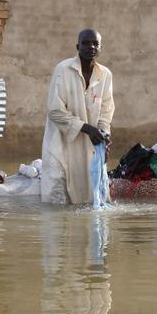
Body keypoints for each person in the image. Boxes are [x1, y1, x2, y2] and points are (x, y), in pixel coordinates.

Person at [41, 28, 115, 204]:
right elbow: (55, 110)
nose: (91, 47)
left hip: (90, 142)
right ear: (77, 46)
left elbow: (107, 108)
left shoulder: (105, 74)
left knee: (91, 194)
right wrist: (87, 128)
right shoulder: (63, 69)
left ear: (100, 47)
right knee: (58, 195)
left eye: (95, 43)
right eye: (86, 43)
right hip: (61, 140)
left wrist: (104, 135)